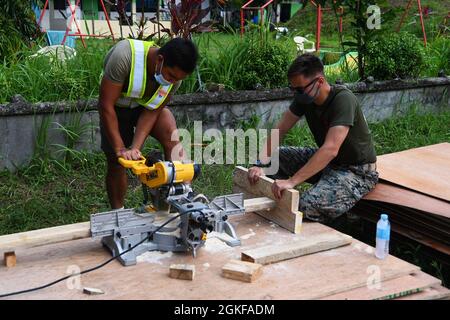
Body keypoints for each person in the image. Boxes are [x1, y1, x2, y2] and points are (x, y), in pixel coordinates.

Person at [248, 53, 379, 223]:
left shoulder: (343, 100)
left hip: (356, 171)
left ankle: (345, 217)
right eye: (293, 89)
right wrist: (259, 164)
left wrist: (292, 181)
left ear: (320, 81)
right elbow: (280, 129)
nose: (297, 93)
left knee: (305, 206)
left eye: (300, 89)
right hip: (330, 163)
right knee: (273, 158)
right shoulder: (306, 98)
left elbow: (330, 149)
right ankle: (267, 199)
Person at [98, 37, 198, 209]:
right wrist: (120, 149)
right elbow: (105, 105)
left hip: (144, 108)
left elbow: (152, 112)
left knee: (172, 137)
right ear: (160, 60)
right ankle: (118, 213)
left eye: (177, 79)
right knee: (117, 162)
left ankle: (183, 198)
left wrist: (135, 148)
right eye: (171, 75)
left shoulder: (174, 79)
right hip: (115, 108)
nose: (173, 81)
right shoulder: (124, 56)